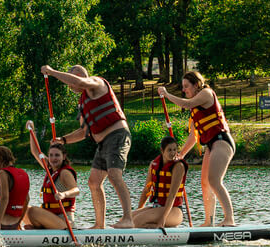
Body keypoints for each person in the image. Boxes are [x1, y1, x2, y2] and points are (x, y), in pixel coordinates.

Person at [41, 64, 134, 229]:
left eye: (71, 82)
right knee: (93, 182)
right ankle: (99, 225)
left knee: (114, 175)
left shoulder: (96, 83)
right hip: (102, 144)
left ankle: (128, 219)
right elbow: (84, 132)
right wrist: (63, 140)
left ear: (78, 75)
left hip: (117, 136)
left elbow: (79, 82)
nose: (70, 87)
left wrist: (52, 72)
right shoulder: (83, 101)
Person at [158, 70, 236, 226]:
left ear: (196, 85)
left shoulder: (206, 93)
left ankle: (229, 219)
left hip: (222, 141)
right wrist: (181, 154)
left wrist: (166, 94)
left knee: (214, 181)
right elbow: (194, 137)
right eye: (183, 87)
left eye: (186, 86)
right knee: (205, 183)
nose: (184, 90)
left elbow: (185, 104)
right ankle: (209, 222)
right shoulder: (195, 110)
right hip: (211, 146)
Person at [22, 120, 79, 230]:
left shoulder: (65, 172)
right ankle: (36, 229)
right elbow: (36, 151)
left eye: (57, 155)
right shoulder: (50, 169)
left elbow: (76, 190)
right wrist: (31, 131)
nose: (53, 158)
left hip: (64, 221)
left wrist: (64, 194)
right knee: (23, 209)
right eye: (51, 155)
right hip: (51, 217)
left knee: (33, 211)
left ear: (64, 156)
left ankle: (38, 229)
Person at [132, 136, 187, 229]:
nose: (173, 153)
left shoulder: (178, 166)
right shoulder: (153, 164)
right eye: (169, 150)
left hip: (174, 212)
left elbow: (172, 195)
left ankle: (161, 227)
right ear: (162, 150)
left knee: (137, 221)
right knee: (128, 219)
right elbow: (146, 190)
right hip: (157, 207)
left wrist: (162, 219)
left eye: (175, 149)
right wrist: (139, 210)